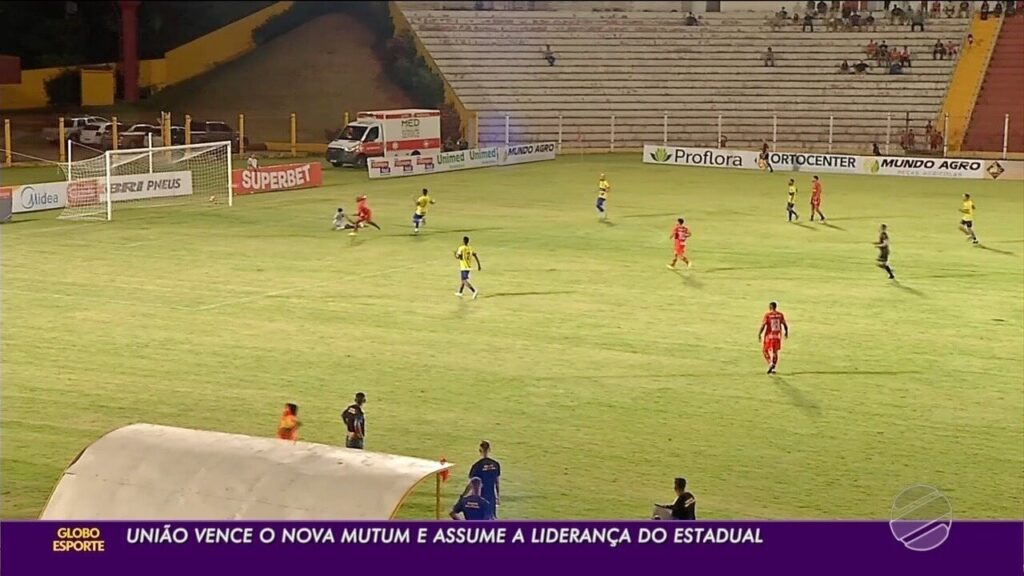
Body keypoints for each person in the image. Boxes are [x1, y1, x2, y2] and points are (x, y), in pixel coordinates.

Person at [468, 441, 501, 517]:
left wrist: (464, 496)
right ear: (489, 449)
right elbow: (497, 482)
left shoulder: (476, 466)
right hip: (491, 496)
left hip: (480, 497)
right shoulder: (495, 464)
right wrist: (498, 497)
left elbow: (472, 484)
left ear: (480, 450)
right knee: (491, 517)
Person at [758, 301, 789, 374]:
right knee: (775, 351)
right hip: (777, 336)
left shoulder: (768, 315)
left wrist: (759, 333)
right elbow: (785, 324)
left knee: (765, 350)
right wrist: (786, 332)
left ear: (770, 307)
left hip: (769, 336)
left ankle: (770, 363)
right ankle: (773, 367)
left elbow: (763, 325)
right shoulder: (780, 315)